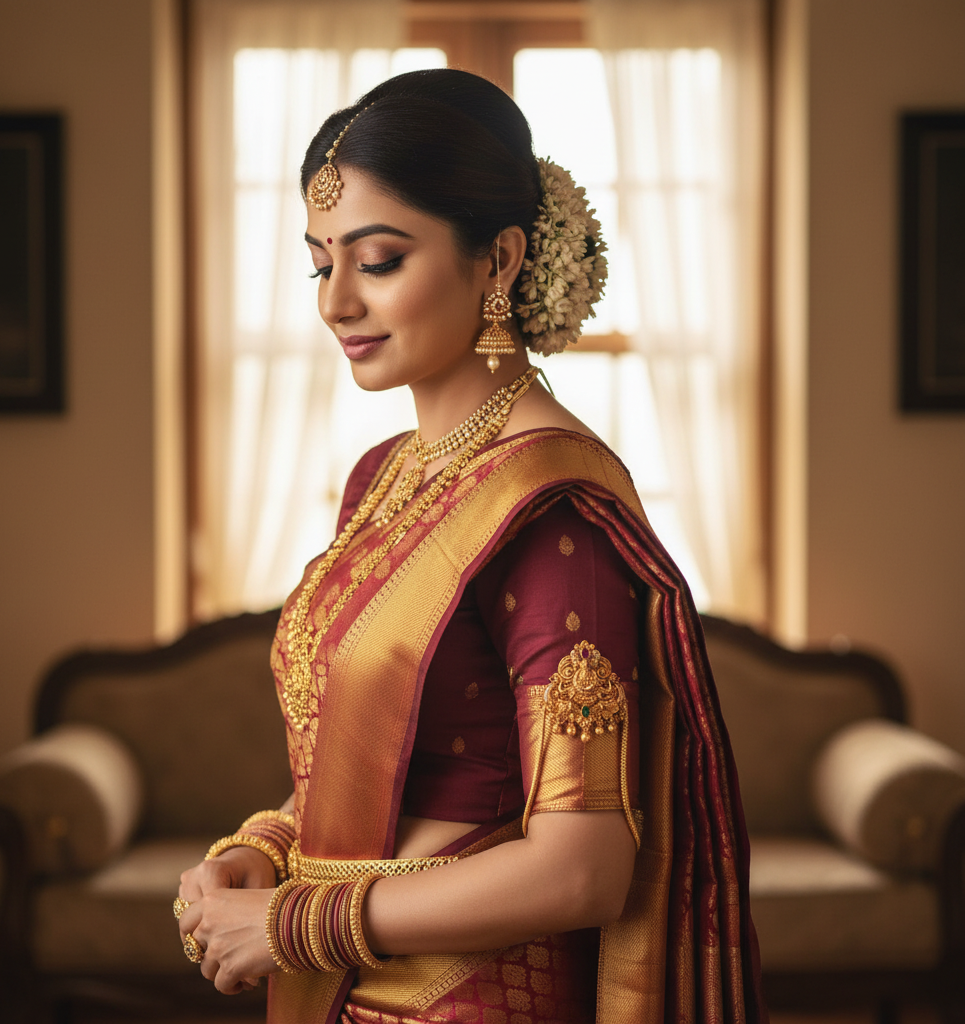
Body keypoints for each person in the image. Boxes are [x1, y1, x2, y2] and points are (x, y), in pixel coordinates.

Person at [177, 69, 766, 1024]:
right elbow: (373, 759)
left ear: (498, 260)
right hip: (351, 985)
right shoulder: (385, 475)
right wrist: (269, 846)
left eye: (377, 260)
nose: (335, 303)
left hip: (469, 1000)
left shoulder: (550, 514)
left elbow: (583, 869)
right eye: (320, 262)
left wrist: (295, 926)